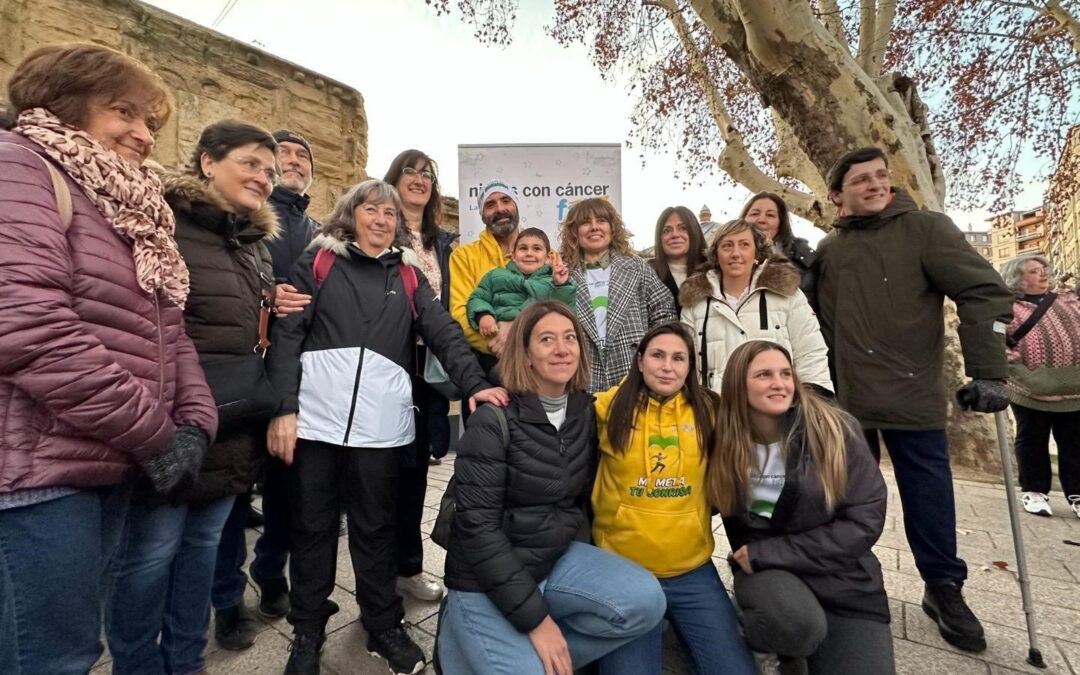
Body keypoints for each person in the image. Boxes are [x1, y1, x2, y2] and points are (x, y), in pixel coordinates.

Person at [0, 43, 217, 673]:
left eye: (151, 121)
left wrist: (195, 426)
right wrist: (156, 436)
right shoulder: (21, 166)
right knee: (51, 657)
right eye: (124, 112)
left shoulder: (132, 211)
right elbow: (28, 324)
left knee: (72, 647)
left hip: (108, 459)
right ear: (64, 104)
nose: (144, 134)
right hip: (40, 473)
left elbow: (170, 334)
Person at [266, 179, 507, 675]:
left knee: (377, 531)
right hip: (316, 425)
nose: (381, 220)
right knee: (311, 530)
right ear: (351, 214)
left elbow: (442, 332)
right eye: (371, 210)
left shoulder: (410, 275)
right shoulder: (317, 262)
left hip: (380, 429)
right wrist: (283, 409)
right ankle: (307, 631)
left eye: (389, 215)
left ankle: (382, 624)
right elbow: (288, 337)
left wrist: (473, 384)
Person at [813, 146, 1012, 653]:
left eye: (881, 176)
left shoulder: (927, 229)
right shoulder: (830, 250)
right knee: (844, 495)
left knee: (928, 496)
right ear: (838, 196)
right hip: (847, 398)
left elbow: (985, 292)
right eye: (861, 180)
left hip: (911, 390)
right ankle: (842, 577)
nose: (876, 185)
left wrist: (989, 371)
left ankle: (944, 587)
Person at [105, 120, 281, 673]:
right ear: (207, 161)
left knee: (203, 550)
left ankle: (186, 661)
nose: (264, 178)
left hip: (232, 419)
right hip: (170, 421)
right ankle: (137, 665)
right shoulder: (164, 220)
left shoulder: (254, 242)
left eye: (270, 171)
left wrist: (275, 305)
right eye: (251, 163)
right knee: (150, 557)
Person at [439, 300, 667, 674]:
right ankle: (467, 637)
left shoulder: (583, 414)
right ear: (526, 354)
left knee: (645, 601)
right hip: (483, 577)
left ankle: (523, 657)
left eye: (569, 338)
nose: (562, 349)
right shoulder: (493, 420)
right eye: (547, 340)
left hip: (550, 560)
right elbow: (477, 530)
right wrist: (536, 621)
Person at [711, 340, 894, 674]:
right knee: (797, 626)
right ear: (739, 385)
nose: (779, 383)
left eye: (785, 373)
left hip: (842, 577)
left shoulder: (834, 429)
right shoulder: (723, 440)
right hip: (770, 578)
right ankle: (767, 638)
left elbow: (864, 520)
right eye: (764, 375)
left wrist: (772, 552)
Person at [592, 323, 756, 675]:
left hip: (690, 569)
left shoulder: (709, 410)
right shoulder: (605, 407)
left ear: (689, 367)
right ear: (639, 361)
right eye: (658, 356)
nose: (668, 367)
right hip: (624, 573)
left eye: (679, 358)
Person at [248, 128, 319, 621]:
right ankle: (225, 598)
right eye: (284, 153)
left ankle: (271, 572)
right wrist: (268, 291)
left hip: (294, 368)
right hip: (244, 361)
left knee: (284, 482)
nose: (293, 161)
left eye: (302, 155)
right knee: (231, 494)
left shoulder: (318, 226)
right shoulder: (249, 214)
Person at [383, 149, 458, 605]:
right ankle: (381, 567)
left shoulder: (445, 242)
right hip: (387, 363)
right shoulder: (374, 229)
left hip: (430, 371)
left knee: (416, 473)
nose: (418, 178)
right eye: (409, 171)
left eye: (426, 173)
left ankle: (406, 567)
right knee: (382, 474)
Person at [680, 219, 832, 394]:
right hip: (715, 410)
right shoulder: (695, 302)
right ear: (716, 255)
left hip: (777, 409)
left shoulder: (787, 294)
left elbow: (810, 352)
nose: (735, 253)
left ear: (756, 253)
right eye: (727, 246)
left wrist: (814, 402)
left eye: (744, 245)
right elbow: (686, 363)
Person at [559, 198, 677, 391]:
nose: (594, 227)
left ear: (612, 228)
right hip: (581, 374)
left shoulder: (636, 266)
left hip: (631, 370)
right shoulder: (561, 273)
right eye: (585, 222)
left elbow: (664, 312)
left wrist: (652, 355)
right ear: (574, 232)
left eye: (601, 221)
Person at [998, 254, 1080, 518]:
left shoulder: (1069, 302)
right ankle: (1034, 491)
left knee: (1075, 442)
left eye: (1044, 269)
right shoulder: (1006, 308)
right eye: (1034, 271)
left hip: (1073, 387)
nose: (1043, 274)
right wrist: (1022, 374)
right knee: (1032, 439)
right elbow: (1001, 344)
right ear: (1017, 278)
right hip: (1028, 389)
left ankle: (1077, 493)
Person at [450, 178, 522, 367]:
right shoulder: (463, 256)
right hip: (487, 364)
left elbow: (555, 303)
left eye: (506, 201)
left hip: (539, 359)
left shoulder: (545, 253)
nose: (500, 209)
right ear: (482, 215)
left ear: (516, 206)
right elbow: (460, 311)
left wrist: (522, 337)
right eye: (490, 204)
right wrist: (500, 343)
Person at [467, 226, 575, 334]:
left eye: (537, 249)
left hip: (538, 336)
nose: (529, 253)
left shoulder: (553, 282)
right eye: (523, 248)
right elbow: (477, 298)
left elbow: (566, 311)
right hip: (500, 335)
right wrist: (484, 315)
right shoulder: (496, 275)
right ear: (513, 256)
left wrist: (561, 285)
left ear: (547, 258)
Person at [739, 191, 816, 294]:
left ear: (781, 222)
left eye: (770, 215)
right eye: (754, 214)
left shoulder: (803, 261)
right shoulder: (721, 257)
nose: (761, 219)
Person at [649, 206, 708, 314]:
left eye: (683, 228)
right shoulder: (646, 275)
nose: (675, 235)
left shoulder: (714, 273)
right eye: (666, 230)